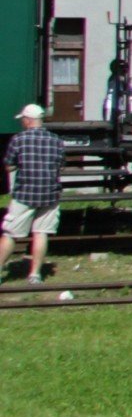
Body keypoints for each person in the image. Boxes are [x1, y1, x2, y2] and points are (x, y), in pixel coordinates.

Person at [2, 104, 63, 284]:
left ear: (28, 120)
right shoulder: (56, 140)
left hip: (25, 193)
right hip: (49, 193)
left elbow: (9, 164)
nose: (22, 122)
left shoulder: (18, 139)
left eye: (23, 119)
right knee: (41, 233)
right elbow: (61, 164)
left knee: (10, 233)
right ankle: (35, 274)